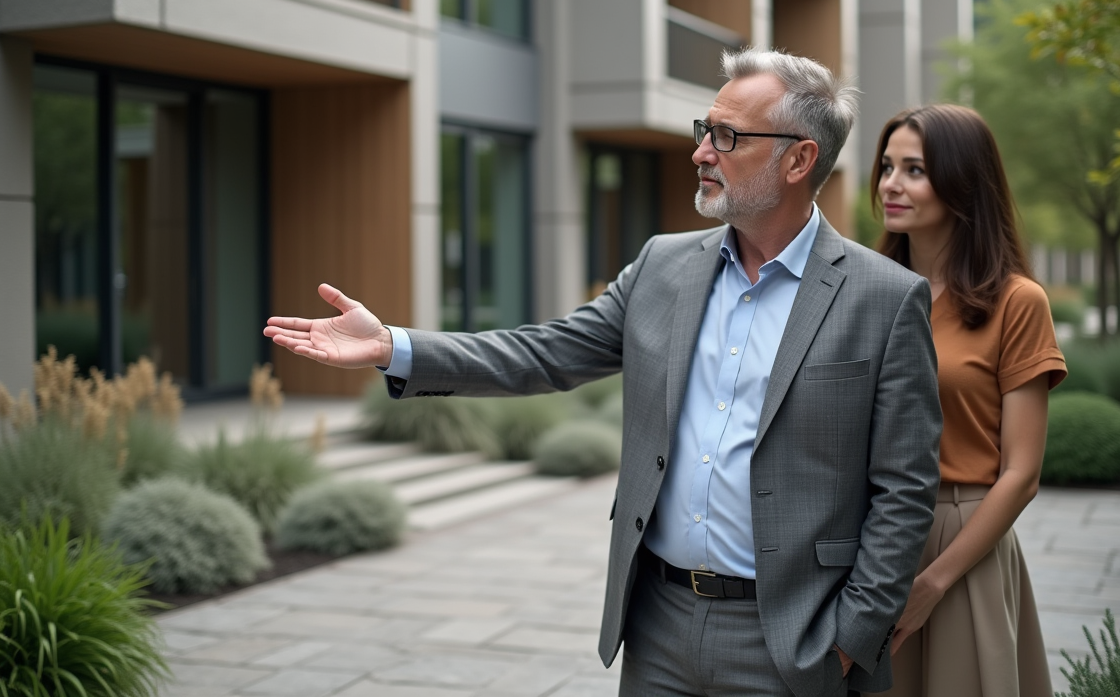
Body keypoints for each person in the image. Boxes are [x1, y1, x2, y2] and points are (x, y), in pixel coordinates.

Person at [264, 49, 943, 696]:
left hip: (793, 638)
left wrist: (851, 636)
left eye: (729, 137)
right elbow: (543, 353)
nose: (703, 151)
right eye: (704, 130)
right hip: (658, 625)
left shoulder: (882, 298)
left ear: (800, 159)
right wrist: (392, 345)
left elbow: (905, 487)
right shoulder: (662, 267)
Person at [866, 104, 1066, 697]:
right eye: (885, 166)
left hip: (964, 542)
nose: (890, 185)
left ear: (963, 184)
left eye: (914, 170)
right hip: (873, 540)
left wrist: (932, 584)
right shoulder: (864, 290)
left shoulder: (1017, 302)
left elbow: (1021, 474)